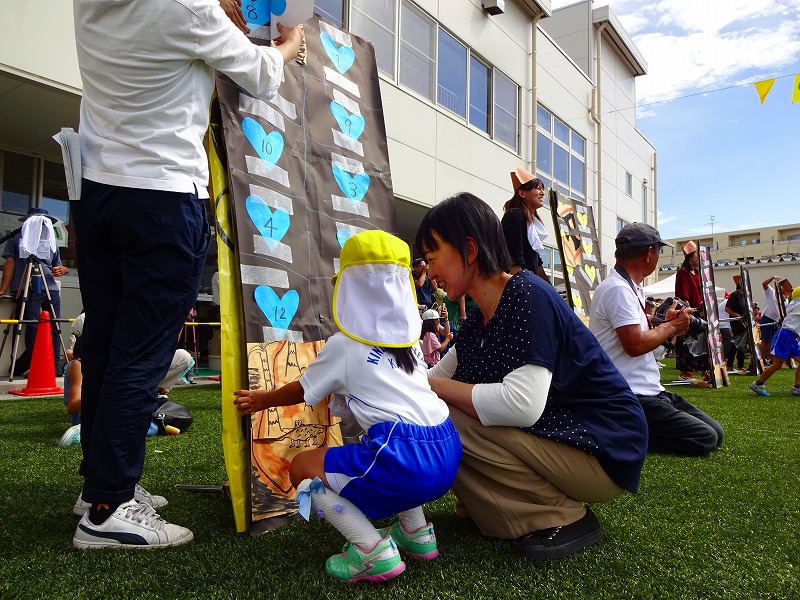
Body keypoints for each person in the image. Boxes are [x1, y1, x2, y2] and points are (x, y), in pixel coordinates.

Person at [70, 0, 303, 550]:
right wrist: (289, 44)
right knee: (140, 355)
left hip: (98, 190)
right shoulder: (188, 7)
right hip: (161, 194)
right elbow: (262, 74)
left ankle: (101, 486)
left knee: (104, 344)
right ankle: (107, 510)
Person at [416, 192, 647, 561]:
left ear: (469, 249)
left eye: (432, 257)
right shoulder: (478, 318)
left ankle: (565, 516)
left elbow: (522, 404)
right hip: (566, 439)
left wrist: (431, 387)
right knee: (437, 407)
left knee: (447, 416)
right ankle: (496, 507)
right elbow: (433, 377)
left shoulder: (527, 294)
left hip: (605, 447)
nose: (430, 270)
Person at [234, 230, 461, 583]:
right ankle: (417, 534)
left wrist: (262, 399)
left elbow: (303, 388)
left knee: (303, 469)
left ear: (349, 290)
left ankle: (372, 551)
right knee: (377, 459)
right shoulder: (410, 343)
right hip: (447, 448)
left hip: (401, 455)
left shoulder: (345, 345)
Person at [589, 223, 723, 456]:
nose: (658, 257)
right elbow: (635, 345)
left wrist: (665, 326)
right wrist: (671, 326)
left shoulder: (628, 287)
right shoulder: (617, 289)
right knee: (705, 438)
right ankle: (623, 434)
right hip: (629, 394)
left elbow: (638, 338)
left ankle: (629, 429)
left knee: (716, 433)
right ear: (649, 253)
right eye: (659, 251)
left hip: (648, 389)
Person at [0, 207, 69, 376]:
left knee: (54, 324)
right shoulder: (17, 238)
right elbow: (10, 262)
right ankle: (32, 362)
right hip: (28, 285)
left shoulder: (50, 241)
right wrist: (3, 288)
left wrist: (63, 270)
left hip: (49, 286)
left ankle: (53, 364)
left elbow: (57, 265)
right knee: (31, 325)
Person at [749, 285, 800, 397]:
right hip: (785, 336)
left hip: (790, 337)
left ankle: (798, 387)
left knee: (778, 364)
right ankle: (757, 384)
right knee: (777, 364)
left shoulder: (795, 307)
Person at [501, 166, 549, 282]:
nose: (542, 193)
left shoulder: (529, 221)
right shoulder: (515, 216)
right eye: (538, 188)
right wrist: (523, 288)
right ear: (522, 193)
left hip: (527, 284)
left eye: (542, 189)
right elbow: (514, 259)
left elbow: (537, 263)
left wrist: (551, 290)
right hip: (518, 287)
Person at [673, 241, 708, 380]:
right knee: (687, 340)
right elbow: (683, 295)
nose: (699, 257)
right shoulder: (683, 272)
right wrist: (688, 311)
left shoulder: (698, 273)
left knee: (702, 340)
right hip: (688, 310)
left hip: (699, 310)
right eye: (697, 255)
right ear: (690, 257)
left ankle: (703, 369)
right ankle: (684, 372)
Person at [758, 276, 793, 366]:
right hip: (767, 317)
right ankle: (760, 360)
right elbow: (764, 284)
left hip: (776, 321)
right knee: (765, 340)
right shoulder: (772, 292)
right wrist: (773, 277)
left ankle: (771, 360)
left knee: (773, 340)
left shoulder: (785, 301)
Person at [725, 275, 748, 373]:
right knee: (737, 343)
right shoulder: (734, 295)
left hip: (743, 321)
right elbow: (727, 309)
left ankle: (739, 365)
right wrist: (738, 317)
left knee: (740, 343)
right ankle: (731, 364)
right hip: (737, 322)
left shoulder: (744, 296)